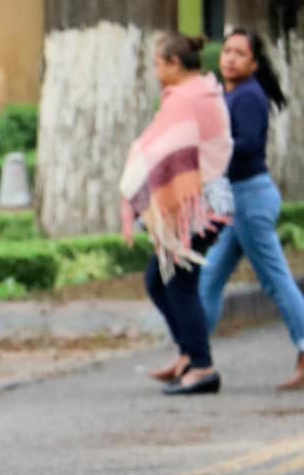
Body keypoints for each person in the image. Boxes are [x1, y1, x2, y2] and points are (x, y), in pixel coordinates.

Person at [121, 31, 233, 397]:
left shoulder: (186, 100)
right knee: (159, 280)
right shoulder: (202, 91)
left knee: (179, 284)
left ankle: (202, 367)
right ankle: (188, 353)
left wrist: (139, 168)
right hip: (208, 199)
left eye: (157, 63)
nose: (155, 71)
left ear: (173, 64)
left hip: (198, 205)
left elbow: (168, 152)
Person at [194, 30, 304, 391]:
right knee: (209, 278)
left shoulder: (249, 97)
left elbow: (249, 145)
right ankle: (194, 357)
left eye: (240, 54)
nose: (230, 58)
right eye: (227, 51)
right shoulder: (231, 94)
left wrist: (209, 143)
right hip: (235, 199)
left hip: (250, 199)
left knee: (276, 281)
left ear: (254, 64)